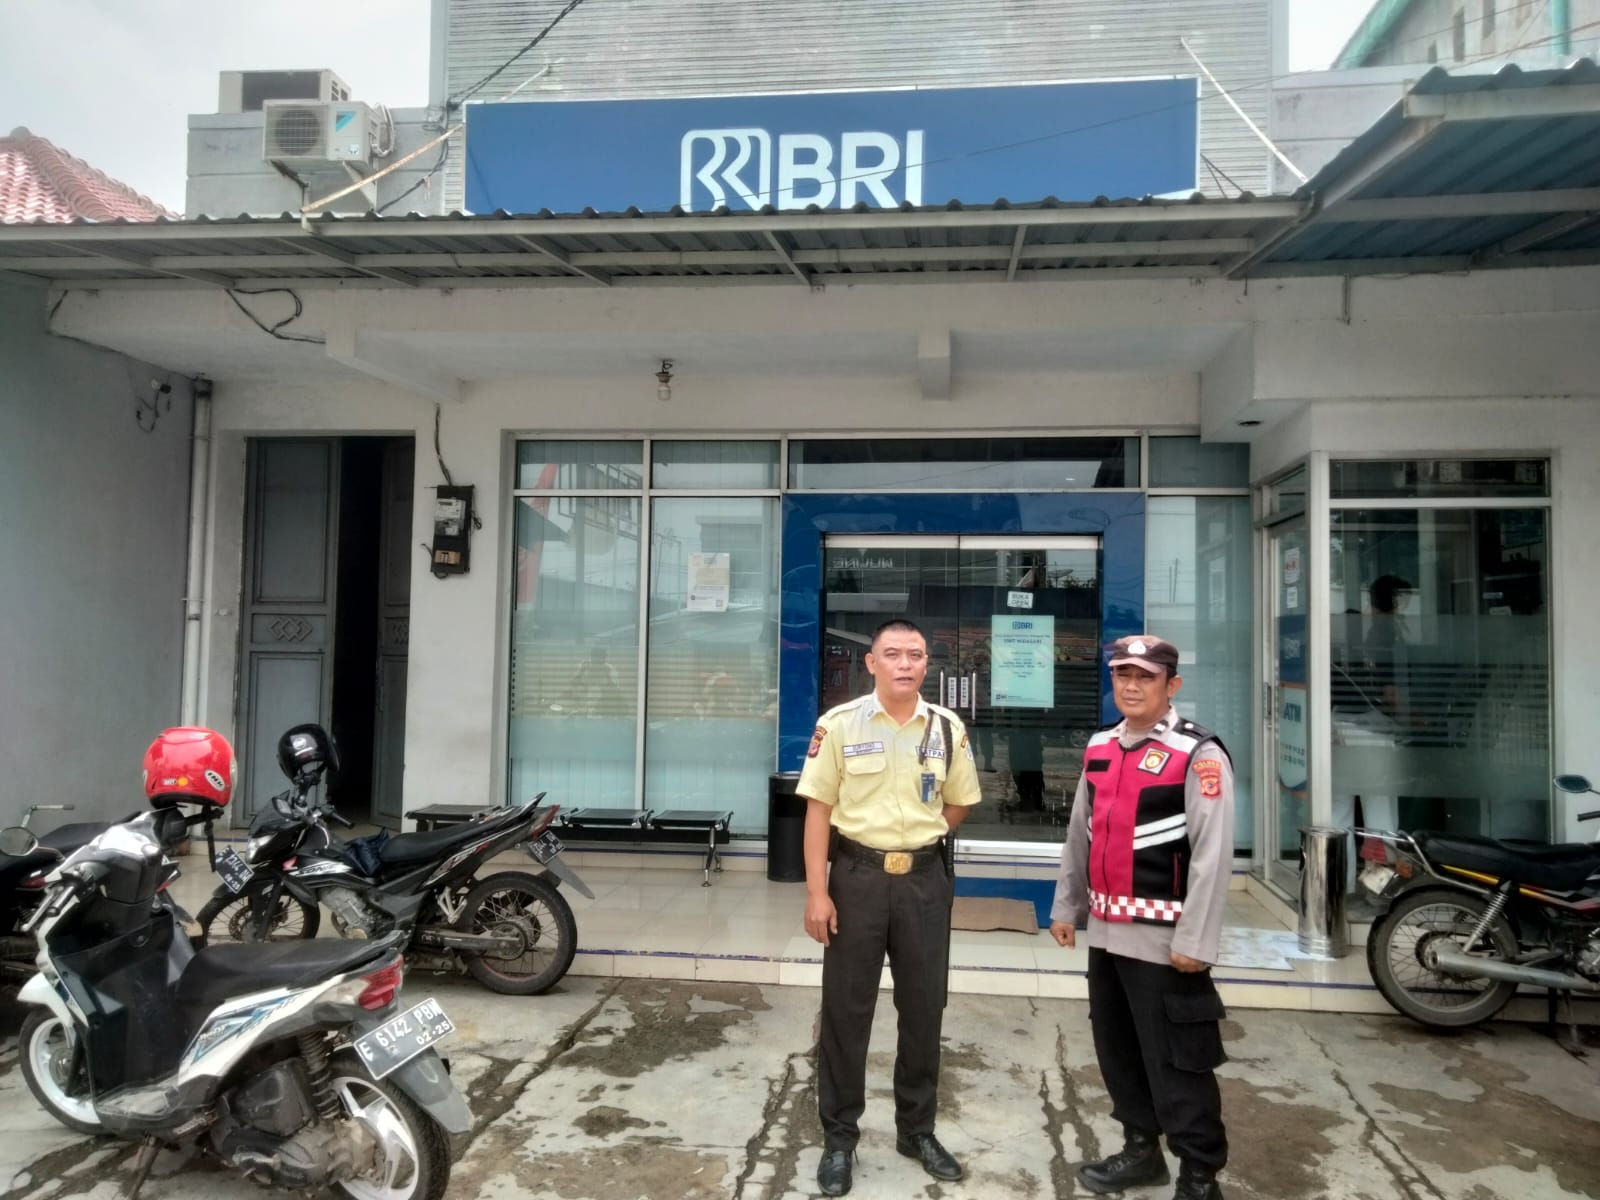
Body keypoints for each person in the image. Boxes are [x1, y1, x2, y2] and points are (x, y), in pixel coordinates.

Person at [798, 618, 983, 1197]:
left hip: (924, 883)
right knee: (846, 1012)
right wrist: (817, 892)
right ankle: (839, 1139)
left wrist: (921, 836)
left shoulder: (947, 728)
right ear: (872, 662)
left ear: (928, 664)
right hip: (856, 880)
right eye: (894, 654)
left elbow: (959, 803)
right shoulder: (839, 725)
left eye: (916, 655)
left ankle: (917, 1131)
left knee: (924, 1009)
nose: (906, 664)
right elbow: (818, 812)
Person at [1049, 634, 1233, 1200]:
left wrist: (1196, 939)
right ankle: (1141, 1151)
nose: (1131, 686)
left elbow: (1213, 854)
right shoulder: (1101, 746)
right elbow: (1080, 833)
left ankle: (1199, 1175)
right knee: (1119, 1050)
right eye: (1122, 674)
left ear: (1171, 685)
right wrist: (1066, 906)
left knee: (1178, 1061)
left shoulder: (1198, 753)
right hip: (1107, 934)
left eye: (1145, 677)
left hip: (1165, 941)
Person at [1331, 575, 1412, 887]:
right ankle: (1381, 886)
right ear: (1396, 600)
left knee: (1337, 810)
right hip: (1373, 732)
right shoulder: (1386, 634)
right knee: (1380, 810)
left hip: (1340, 726)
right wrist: (1416, 719)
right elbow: (1391, 692)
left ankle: (1337, 886)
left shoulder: (1352, 646)